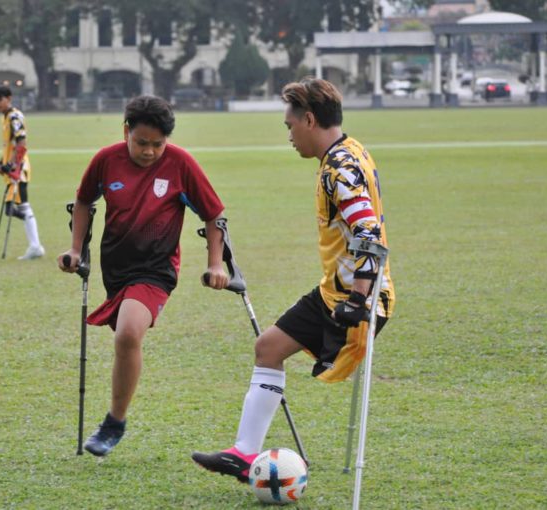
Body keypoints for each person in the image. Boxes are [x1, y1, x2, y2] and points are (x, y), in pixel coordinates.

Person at [191, 78, 395, 482]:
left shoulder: (339, 167)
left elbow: (369, 234)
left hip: (354, 299)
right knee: (268, 347)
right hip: (336, 291)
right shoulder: (350, 151)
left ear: (309, 119)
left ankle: (246, 453)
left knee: (269, 348)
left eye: (289, 125)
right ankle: (243, 455)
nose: (288, 135)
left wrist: (357, 299)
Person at [58, 95, 229, 457]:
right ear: (126, 132)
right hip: (115, 269)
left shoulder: (181, 164)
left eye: (158, 144)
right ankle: (115, 420)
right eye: (141, 143)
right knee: (124, 334)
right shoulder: (106, 160)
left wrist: (216, 264)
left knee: (128, 333)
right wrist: (76, 249)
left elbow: (214, 215)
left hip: (156, 269)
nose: (150, 152)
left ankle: (114, 422)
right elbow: (85, 201)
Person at [0, 85, 45, 260]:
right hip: (13, 168)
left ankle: (36, 246)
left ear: (9, 98)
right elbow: (11, 146)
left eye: (0, 99)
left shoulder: (15, 116)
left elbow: (21, 143)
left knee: (16, 207)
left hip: (19, 169)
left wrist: (13, 165)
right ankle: (35, 245)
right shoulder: (5, 118)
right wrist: (2, 163)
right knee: (17, 207)